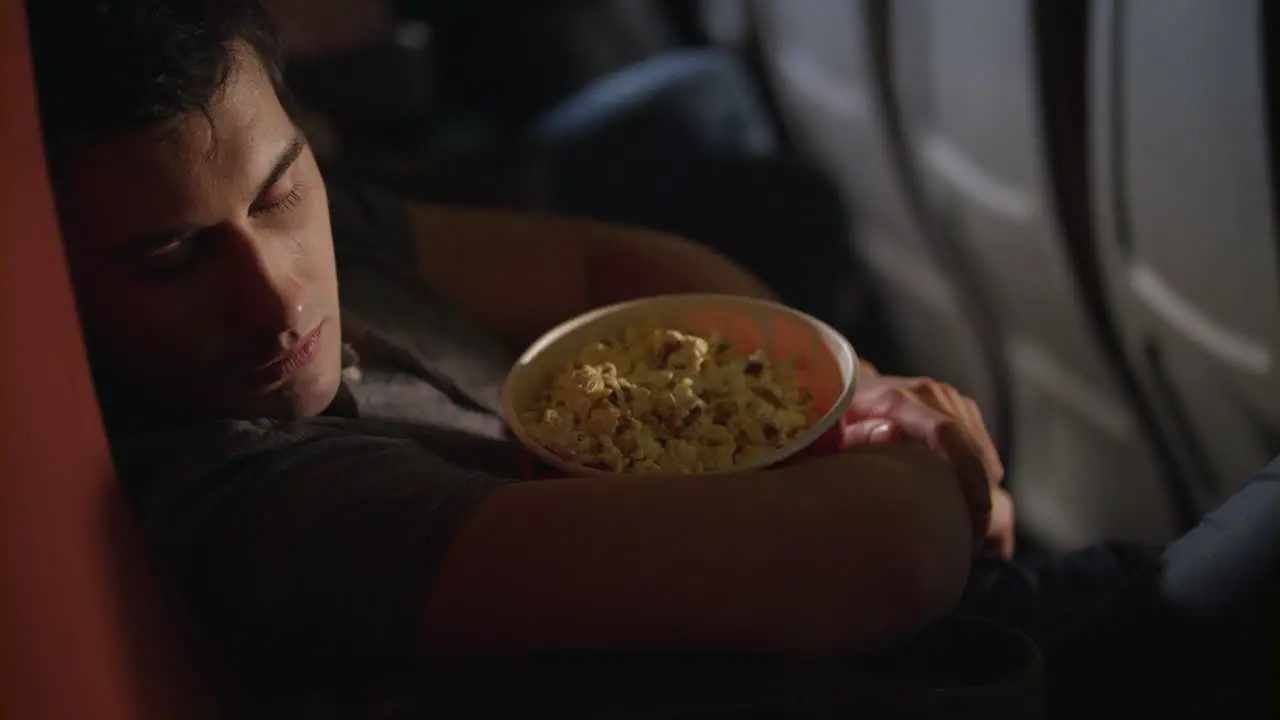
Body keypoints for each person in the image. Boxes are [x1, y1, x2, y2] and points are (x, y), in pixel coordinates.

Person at [25, 1, 1270, 716]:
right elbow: (874, 561)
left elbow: (602, 268)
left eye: (281, 190)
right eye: (172, 258)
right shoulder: (267, 508)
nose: (273, 290)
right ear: (68, 285)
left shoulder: (300, 219)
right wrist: (907, 451)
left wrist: (842, 397)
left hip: (974, 600)